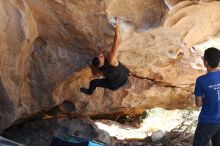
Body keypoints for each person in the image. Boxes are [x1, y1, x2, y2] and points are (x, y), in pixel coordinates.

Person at [80, 18, 129, 95]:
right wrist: (117, 29)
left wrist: (91, 66)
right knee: (123, 70)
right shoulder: (112, 59)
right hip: (124, 78)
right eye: (101, 57)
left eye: (99, 56)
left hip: (114, 84)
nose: (101, 55)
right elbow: (117, 42)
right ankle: (126, 73)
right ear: (101, 62)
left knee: (93, 83)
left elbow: (96, 74)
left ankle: (89, 92)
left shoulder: (100, 70)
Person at [193, 47, 220, 146]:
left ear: (205, 62)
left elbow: (198, 104)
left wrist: (207, 99)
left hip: (208, 121)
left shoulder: (201, 80)